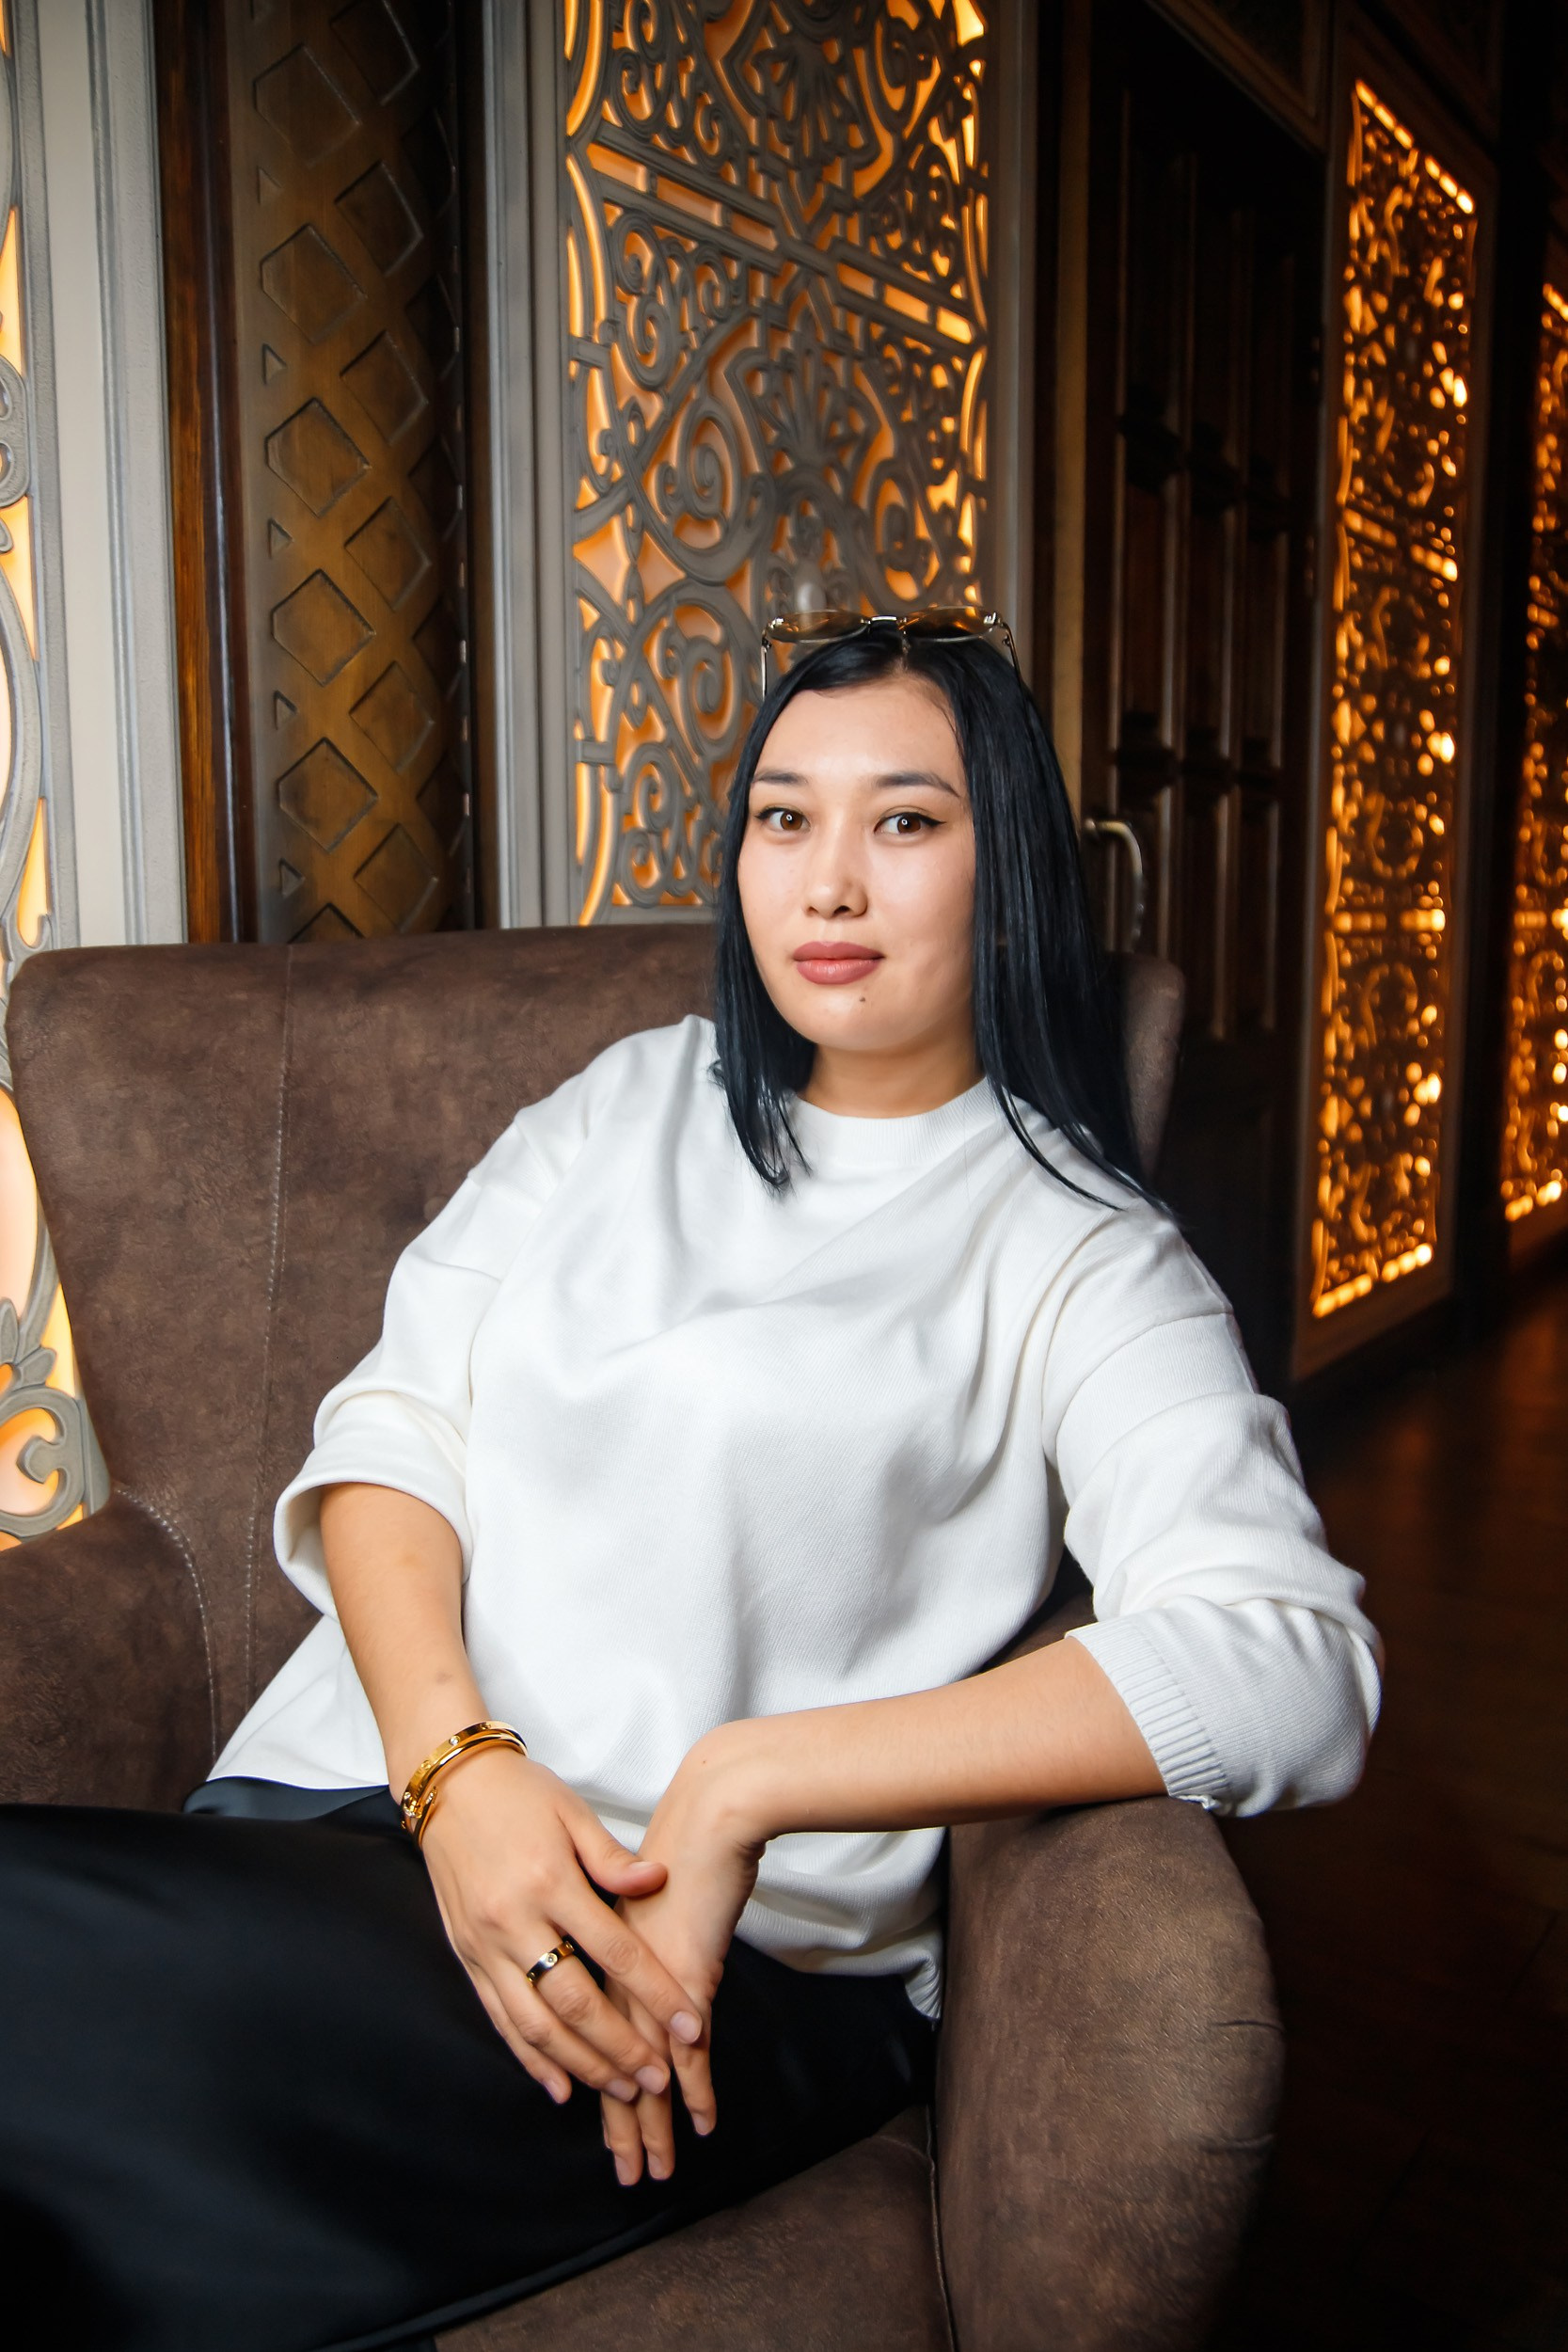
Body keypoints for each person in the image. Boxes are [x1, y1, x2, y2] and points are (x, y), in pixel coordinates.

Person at [0, 614, 1381, 2352]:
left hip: (673, 1965)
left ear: (1010, 867)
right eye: (784, 818)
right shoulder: (631, 1100)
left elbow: (1291, 1662)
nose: (829, 881)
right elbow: (390, 1439)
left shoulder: (1080, 1252)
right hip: (357, 1822)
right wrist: (459, 1778)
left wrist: (746, 1783)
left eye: (905, 820)